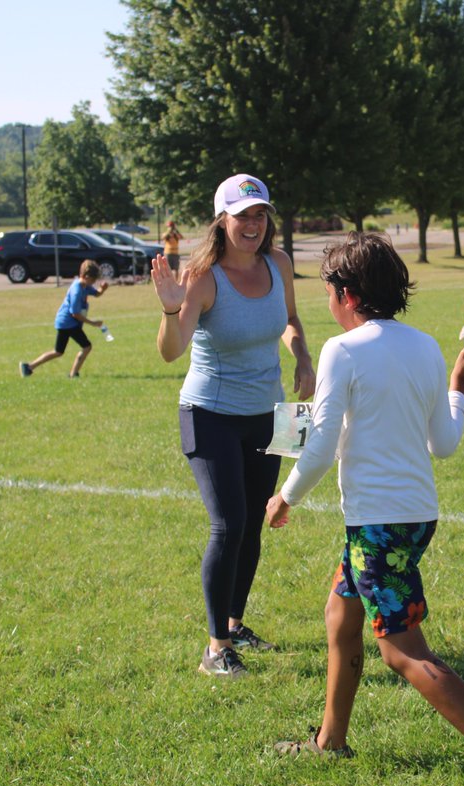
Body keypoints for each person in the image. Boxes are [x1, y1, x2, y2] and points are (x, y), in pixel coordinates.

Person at [265, 232, 464, 786]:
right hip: (413, 517)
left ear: (344, 293)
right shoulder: (423, 346)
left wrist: (286, 496)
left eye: (326, 290)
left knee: (402, 650)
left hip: (378, 523)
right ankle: (330, 740)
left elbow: (318, 446)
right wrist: (458, 385)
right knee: (340, 616)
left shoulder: (342, 351)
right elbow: (443, 444)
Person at [150, 173, 316, 678]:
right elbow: (170, 351)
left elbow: (289, 319)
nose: (253, 224)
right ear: (222, 220)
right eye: (243, 215)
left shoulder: (279, 263)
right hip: (210, 414)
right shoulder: (203, 277)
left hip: (270, 414)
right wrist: (170, 306)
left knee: (255, 523)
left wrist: (303, 358)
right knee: (228, 524)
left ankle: (235, 622)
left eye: (260, 214)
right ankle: (215, 647)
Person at [19, 260, 108, 379]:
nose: (94, 282)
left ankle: (28, 367)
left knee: (58, 351)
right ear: (86, 277)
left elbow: (96, 294)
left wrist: (103, 289)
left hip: (66, 323)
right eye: (93, 280)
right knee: (86, 346)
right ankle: (73, 374)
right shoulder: (77, 290)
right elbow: (75, 314)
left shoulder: (84, 285)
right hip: (68, 323)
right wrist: (93, 323)